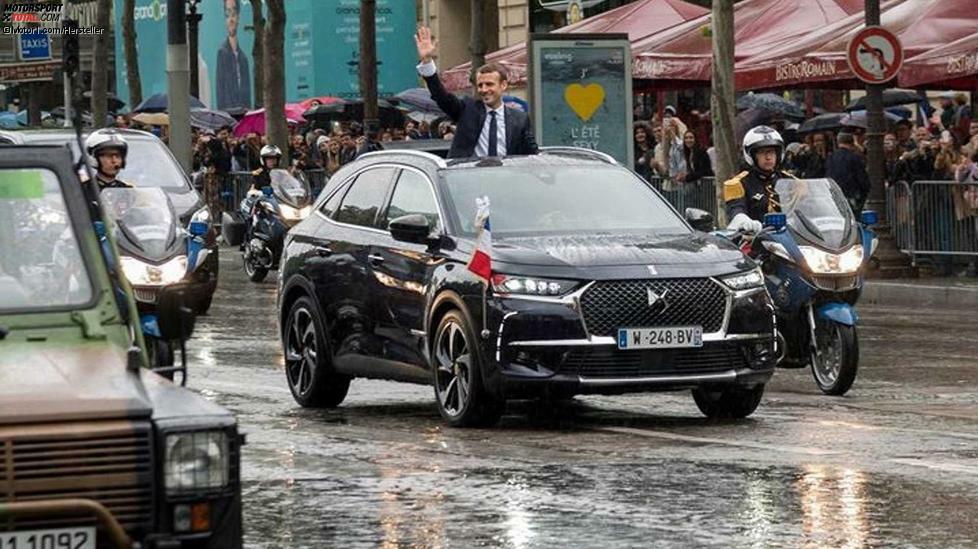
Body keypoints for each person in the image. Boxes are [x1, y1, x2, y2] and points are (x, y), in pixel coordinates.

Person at [414, 26, 537, 158]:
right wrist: (427, 62)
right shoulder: (467, 109)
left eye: (489, 84)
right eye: (480, 85)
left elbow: (531, 155)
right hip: (469, 175)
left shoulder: (520, 119)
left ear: (503, 85)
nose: (484, 90)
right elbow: (441, 97)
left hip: (505, 176)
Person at [723, 126, 791, 233]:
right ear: (752, 156)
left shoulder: (789, 180)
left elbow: (807, 208)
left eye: (772, 152)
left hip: (792, 238)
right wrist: (743, 220)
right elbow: (736, 208)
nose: (768, 157)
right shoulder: (739, 183)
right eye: (762, 152)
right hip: (755, 240)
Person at [216, 0, 251, 110]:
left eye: (234, 14)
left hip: (244, 113)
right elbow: (220, 90)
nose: (231, 19)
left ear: (238, 17)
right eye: (227, 15)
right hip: (229, 114)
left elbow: (247, 92)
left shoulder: (243, 58)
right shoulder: (222, 53)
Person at [824, 132, 871, 214]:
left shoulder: (831, 157)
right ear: (852, 143)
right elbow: (862, 179)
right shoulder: (854, 157)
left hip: (834, 196)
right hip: (851, 196)